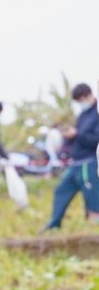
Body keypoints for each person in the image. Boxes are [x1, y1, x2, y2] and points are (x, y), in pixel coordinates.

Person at [42, 83, 99, 230]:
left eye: (80, 100)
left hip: (88, 162)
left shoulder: (96, 114)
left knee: (92, 198)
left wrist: (78, 134)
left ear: (86, 95)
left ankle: (94, 230)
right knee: (61, 190)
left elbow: (94, 140)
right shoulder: (82, 115)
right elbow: (77, 135)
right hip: (75, 163)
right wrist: (69, 135)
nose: (80, 103)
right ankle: (54, 225)